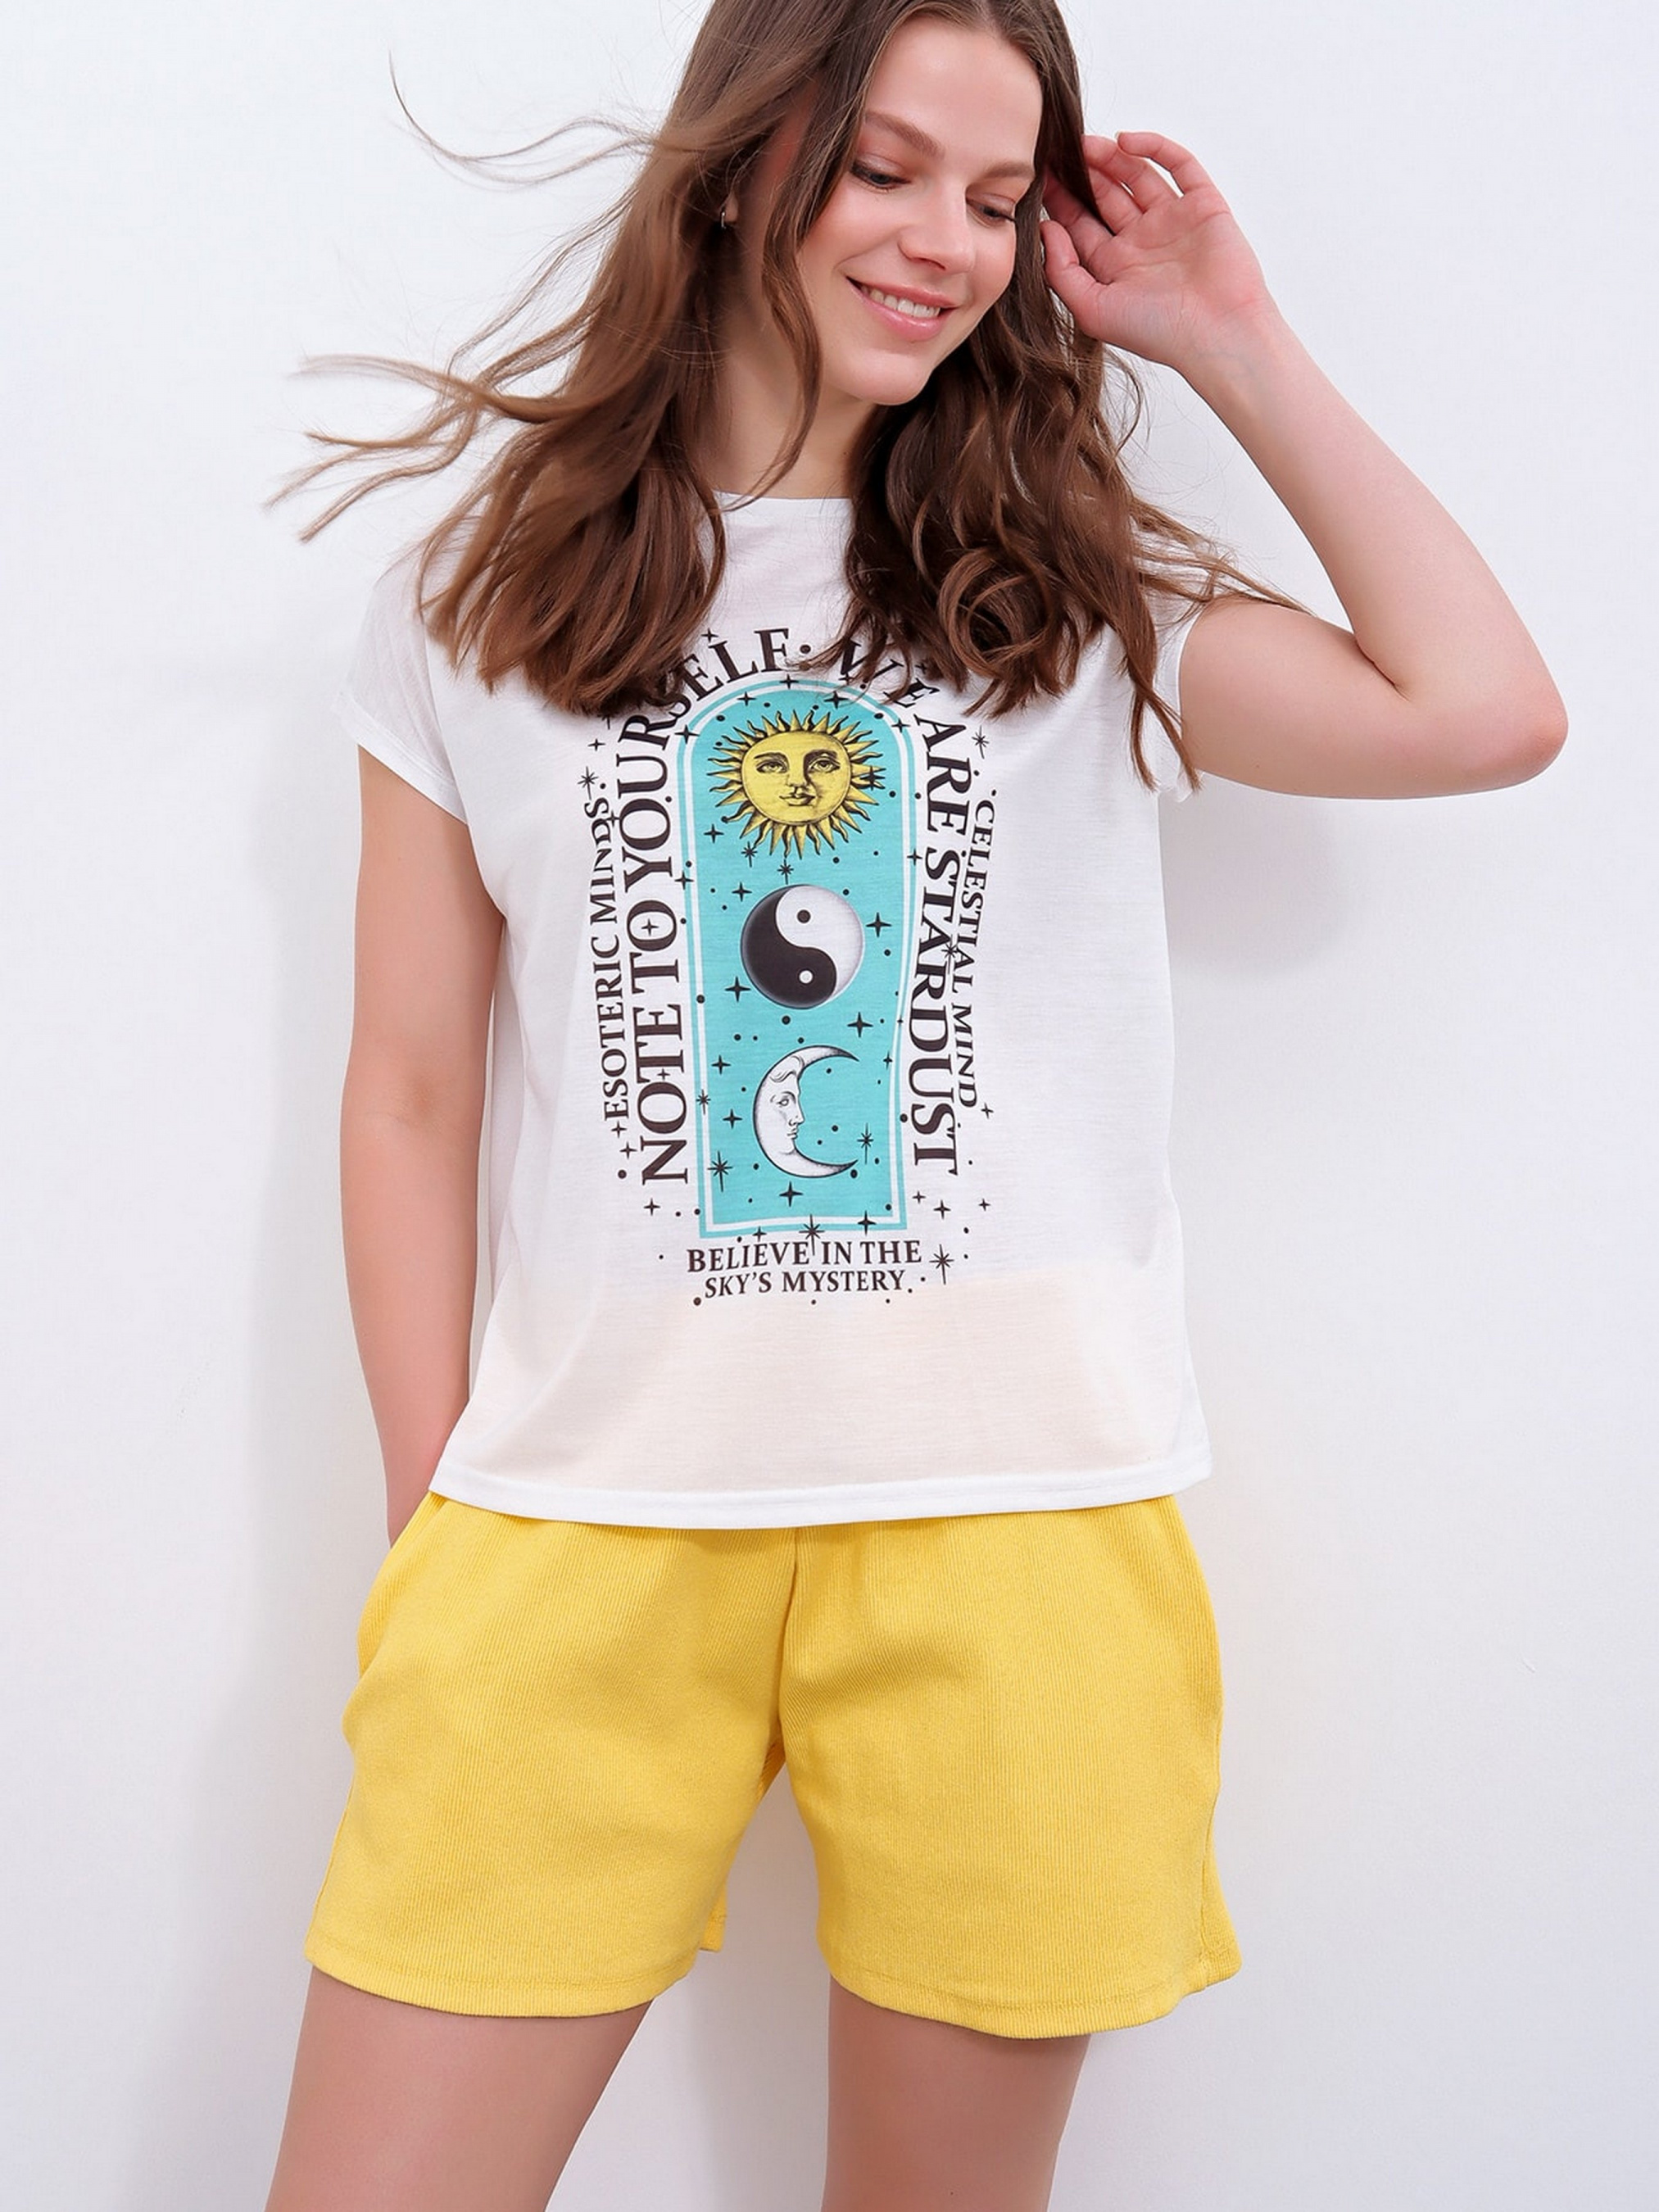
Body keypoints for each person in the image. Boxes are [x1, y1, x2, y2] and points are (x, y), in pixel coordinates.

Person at [263, 1, 1566, 2205]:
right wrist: (438, 1513)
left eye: (992, 196)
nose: (940, 242)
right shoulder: (480, 595)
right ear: (737, 167)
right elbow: (403, 1088)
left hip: (1017, 1526)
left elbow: (1482, 713)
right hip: (577, 1523)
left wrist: (1230, 340)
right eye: (883, 169)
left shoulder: (1075, 595)